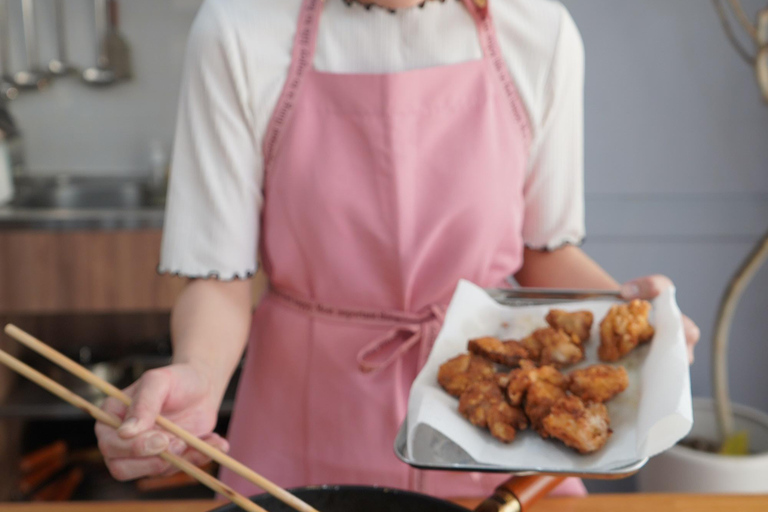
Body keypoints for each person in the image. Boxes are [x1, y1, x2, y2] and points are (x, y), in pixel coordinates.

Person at [95, 0, 701, 499]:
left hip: (497, 427)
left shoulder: (538, 31)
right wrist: (198, 375)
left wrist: (638, 320)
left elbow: (543, 251)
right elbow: (216, 276)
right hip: (302, 418)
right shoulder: (238, 29)